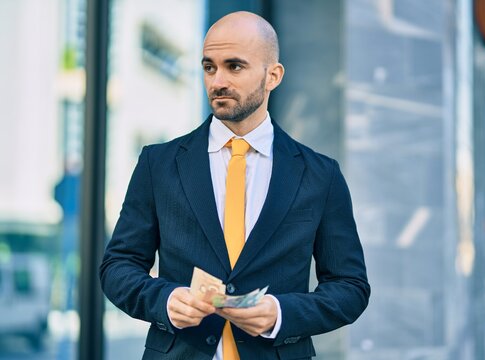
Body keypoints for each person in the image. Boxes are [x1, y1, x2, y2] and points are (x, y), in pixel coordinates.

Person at [100, 11, 370, 360]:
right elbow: (118, 266)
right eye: (209, 67)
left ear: (273, 75)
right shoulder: (159, 164)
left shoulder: (320, 175)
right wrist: (164, 300)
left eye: (235, 67)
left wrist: (280, 313)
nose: (217, 81)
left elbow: (351, 288)